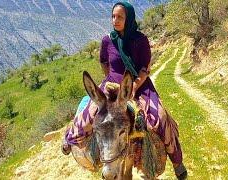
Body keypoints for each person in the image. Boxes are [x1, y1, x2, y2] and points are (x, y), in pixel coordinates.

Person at [62, 1, 187, 179]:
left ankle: (177, 160)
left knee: (159, 117)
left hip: (139, 85)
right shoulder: (107, 40)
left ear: (129, 18)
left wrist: (134, 86)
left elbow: (144, 68)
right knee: (88, 114)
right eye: (113, 16)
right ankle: (70, 138)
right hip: (111, 85)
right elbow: (104, 62)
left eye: (120, 17)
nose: (115, 20)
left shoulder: (140, 40)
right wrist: (110, 80)